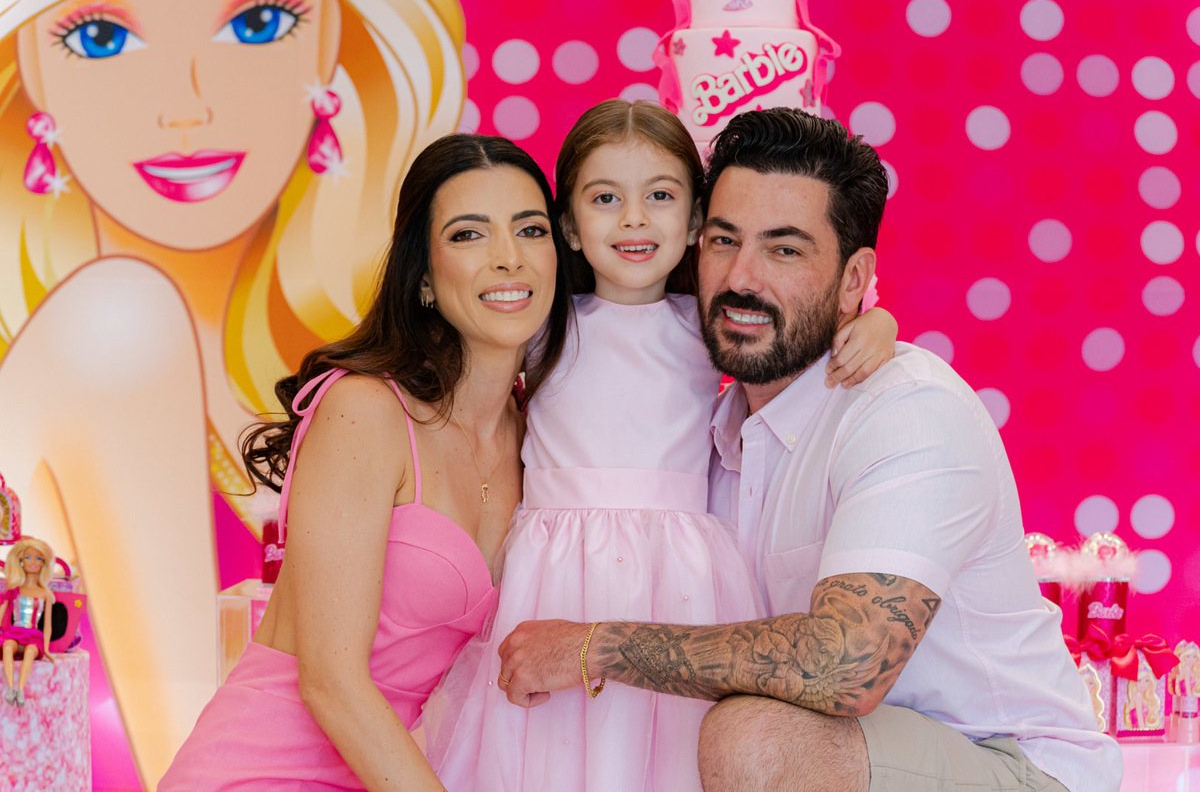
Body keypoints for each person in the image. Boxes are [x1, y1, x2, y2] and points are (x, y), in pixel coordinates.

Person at [497, 108, 1122, 792]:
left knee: (754, 741)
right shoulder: (712, 434)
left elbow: (844, 667)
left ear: (854, 280)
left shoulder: (909, 411)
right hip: (854, 748)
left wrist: (595, 646)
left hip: (1007, 762)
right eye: (724, 240)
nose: (741, 277)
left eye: (785, 250)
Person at [0, 0, 462, 779]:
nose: (187, 106)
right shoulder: (109, 329)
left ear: (331, 43)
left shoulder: (366, 375)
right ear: (32, 69)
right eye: (102, 36)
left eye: (257, 23)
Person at [424, 100, 898, 792]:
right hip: (554, 571)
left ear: (697, 220)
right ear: (568, 226)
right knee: (549, 747)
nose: (634, 220)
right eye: (605, 198)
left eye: (661, 197)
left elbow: (811, 316)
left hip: (680, 579)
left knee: (667, 748)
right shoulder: (543, 322)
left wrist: (877, 321)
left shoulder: (708, 323)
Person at [158, 132, 571, 790]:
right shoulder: (367, 410)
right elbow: (331, 680)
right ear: (424, 278)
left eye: (530, 230)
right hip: (260, 771)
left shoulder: (538, 439)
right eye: (469, 234)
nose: (507, 257)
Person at [1, 537, 57, 708]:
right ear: (21, 561)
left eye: (38, 558)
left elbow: (47, 625)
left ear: (43, 564)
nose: (33, 562)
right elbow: (2, 612)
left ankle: (20, 690)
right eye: (28, 557)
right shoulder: (14, 589)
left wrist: (46, 648)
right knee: (8, 647)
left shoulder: (45, 594)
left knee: (31, 651)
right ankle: (10, 688)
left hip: (33, 636)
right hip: (14, 633)